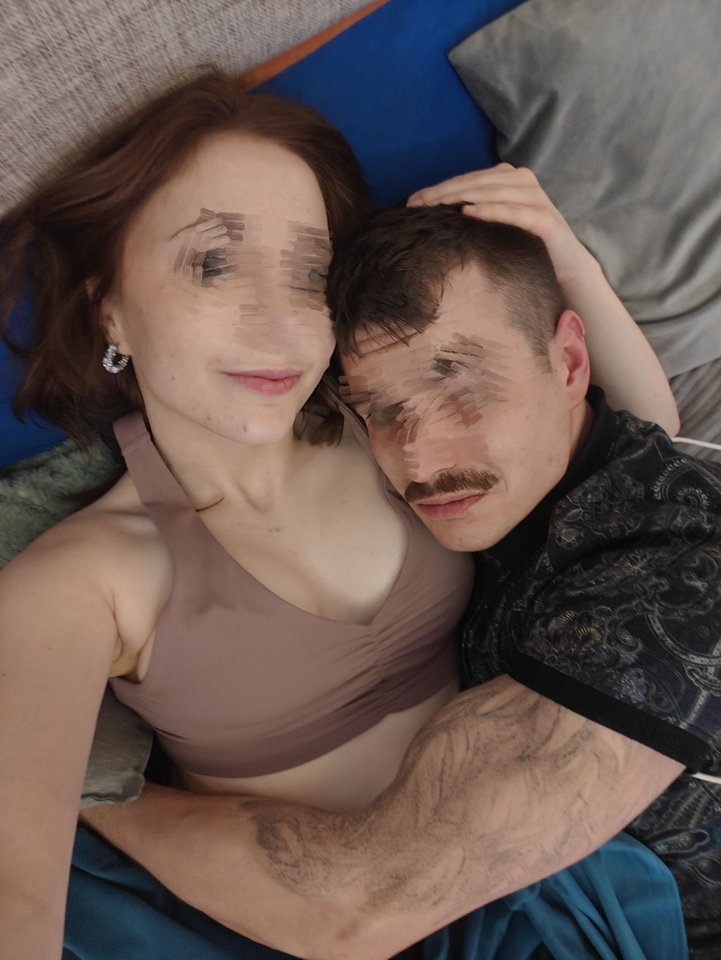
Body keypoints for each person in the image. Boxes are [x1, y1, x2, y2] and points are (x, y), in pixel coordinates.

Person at [0, 69, 680, 960]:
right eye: (214, 263)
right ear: (111, 308)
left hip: (543, 879)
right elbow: (17, 895)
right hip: (315, 921)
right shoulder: (83, 577)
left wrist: (565, 261)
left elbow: (636, 454)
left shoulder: (386, 431)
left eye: (311, 275)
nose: (279, 324)